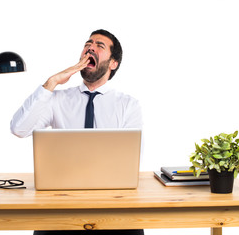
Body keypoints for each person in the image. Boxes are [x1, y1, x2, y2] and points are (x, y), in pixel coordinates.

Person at [10, 29, 143, 235]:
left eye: (100, 45)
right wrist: (51, 83)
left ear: (113, 63)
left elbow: (128, 162)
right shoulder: (56, 99)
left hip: (112, 204)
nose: (90, 47)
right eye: (88, 44)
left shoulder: (128, 105)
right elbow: (19, 129)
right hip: (61, 205)